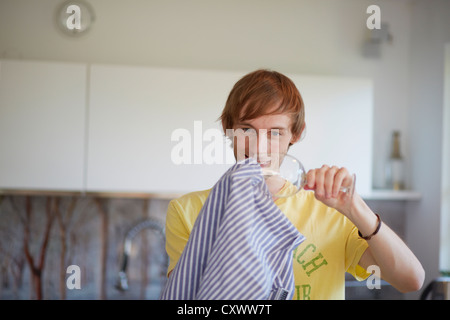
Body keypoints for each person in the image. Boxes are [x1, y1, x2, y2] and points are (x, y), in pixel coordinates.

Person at [164, 69, 425, 300]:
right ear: (228, 129)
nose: (258, 148)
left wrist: (355, 207)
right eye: (246, 130)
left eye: (275, 133)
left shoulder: (330, 210)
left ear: (295, 134)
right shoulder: (187, 210)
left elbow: (410, 280)